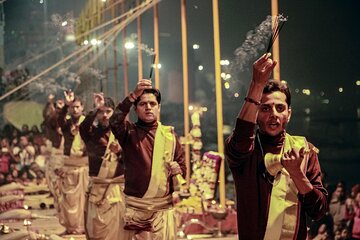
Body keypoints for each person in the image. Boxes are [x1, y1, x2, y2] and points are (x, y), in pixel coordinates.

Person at [225, 53, 328, 240]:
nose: (273, 114)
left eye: (280, 108)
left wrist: (297, 174)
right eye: (265, 108)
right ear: (256, 113)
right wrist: (256, 85)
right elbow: (242, 136)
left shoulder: (304, 150)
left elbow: (319, 210)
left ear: (289, 114)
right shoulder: (245, 150)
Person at [110, 79, 186, 240]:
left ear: (159, 107)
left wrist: (178, 170)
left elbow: (182, 168)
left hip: (162, 211)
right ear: (136, 109)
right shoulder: (128, 132)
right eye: (142, 104)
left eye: (152, 103)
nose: (148, 107)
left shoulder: (170, 135)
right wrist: (132, 96)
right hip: (135, 210)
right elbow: (114, 120)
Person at [79, 93, 129, 240]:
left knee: (118, 230)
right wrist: (96, 107)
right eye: (102, 112)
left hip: (116, 190)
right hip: (97, 189)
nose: (105, 115)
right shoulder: (90, 134)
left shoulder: (123, 134)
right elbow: (83, 126)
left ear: (114, 112)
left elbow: (132, 161)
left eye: (108, 111)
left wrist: (119, 151)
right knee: (96, 229)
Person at [56, 90, 88, 235]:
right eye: (72, 107)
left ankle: (81, 227)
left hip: (83, 166)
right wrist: (65, 105)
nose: (75, 109)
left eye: (77, 107)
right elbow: (58, 119)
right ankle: (71, 227)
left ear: (82, 108)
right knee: (67, 199)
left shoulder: (88, 123)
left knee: (82, 200)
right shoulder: (66, 124)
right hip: (68, 166)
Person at [42, 93, 63, 209]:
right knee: (53, 181)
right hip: (55, 154)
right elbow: (49, 117)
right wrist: (50, 104)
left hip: (66, 157)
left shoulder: (69, 122)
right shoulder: (51, 123)